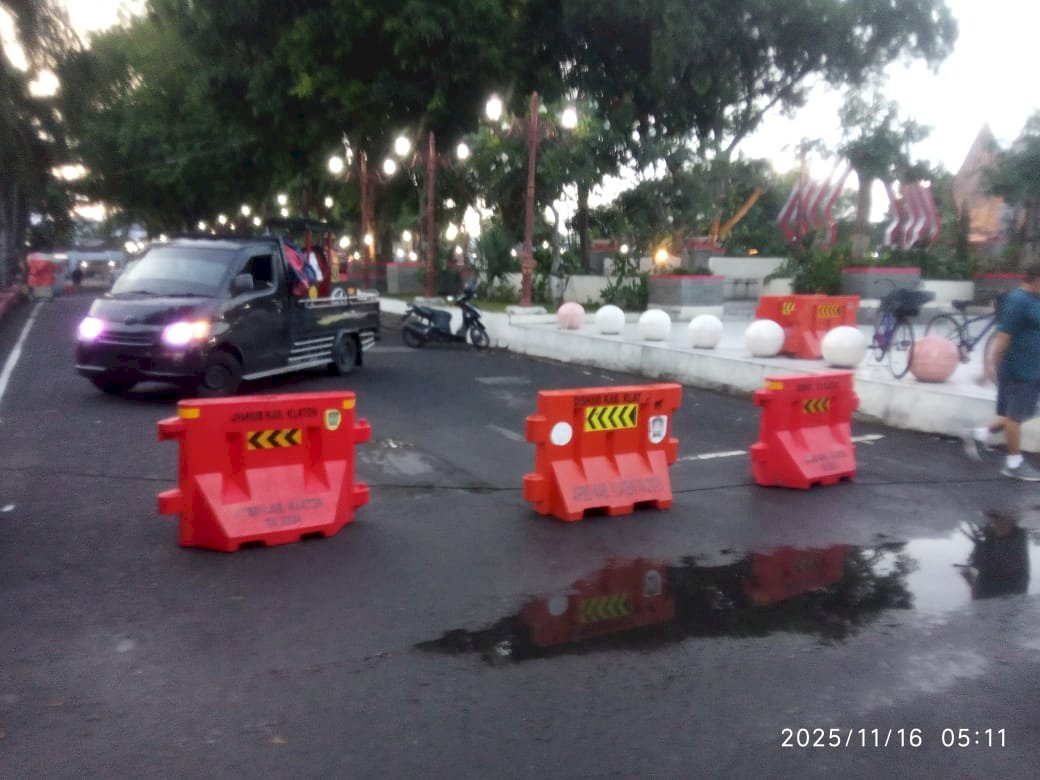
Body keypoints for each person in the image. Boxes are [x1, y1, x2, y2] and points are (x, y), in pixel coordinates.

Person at [963, 264, 1040, 480]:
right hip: (1019, 370)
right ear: (1035, 279)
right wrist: (989, 368)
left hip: (1034, 369)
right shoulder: (1018, 301)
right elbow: (1002, 337)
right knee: (1015, 417)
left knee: (1024, 412)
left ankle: (980, 434)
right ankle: (1013, 464)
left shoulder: (1035, 299)